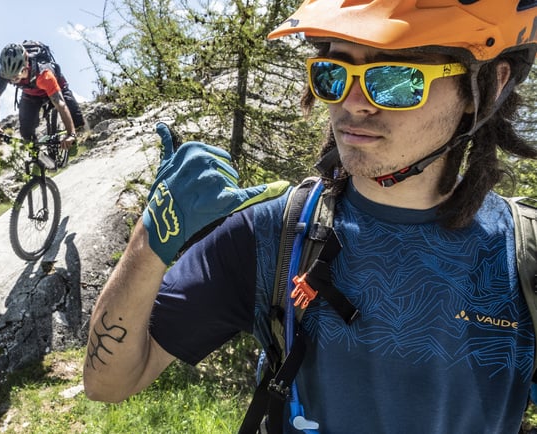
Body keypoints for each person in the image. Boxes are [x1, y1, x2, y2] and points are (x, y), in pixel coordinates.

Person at [82, 1, 537, 433]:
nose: (353, 102)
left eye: (397, 78)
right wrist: (148, 242)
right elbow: (109, 384)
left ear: (488, 87)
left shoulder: (524, 257)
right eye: (333, 74)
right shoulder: (273, 232)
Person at [0, 42, 84, 149]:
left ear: (26, 65)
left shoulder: (44, 74)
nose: (12, 80)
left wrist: (71, 134)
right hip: (31, 93)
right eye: (9, 78)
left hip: (56, 87)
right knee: (26, 131)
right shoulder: (4, 72)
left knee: (76, 119)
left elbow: (60, 104)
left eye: (16, 76)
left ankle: (80, 142)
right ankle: (37, 154)